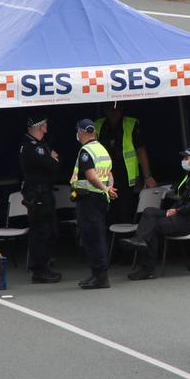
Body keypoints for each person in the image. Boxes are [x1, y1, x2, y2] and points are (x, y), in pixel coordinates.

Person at [124, 147, 190, 281]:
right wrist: (173, 210)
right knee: (149, 212)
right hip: (181, 215)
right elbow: (183, 199)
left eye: (186, 158)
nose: (183, 161)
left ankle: (147, 268)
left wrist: (177, 211)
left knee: (154, 226)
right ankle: (140, 240)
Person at [71, 118, 118, 289]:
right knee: (97, 236)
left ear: (82, 132)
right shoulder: (102, 149)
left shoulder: (86, 151)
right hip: (100, 199)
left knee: (92, 238)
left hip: (89, 199)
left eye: (78, 131)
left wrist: (106, 189)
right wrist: (109, 189)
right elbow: (110, 174)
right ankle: (97, 274)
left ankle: (100, 276)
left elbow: (91, 176)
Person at [95, 103, 156, 232]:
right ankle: (111, 248)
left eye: (116, 109)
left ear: (122, 110)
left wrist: (147, 176)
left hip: (125, 179)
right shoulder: (98, 125)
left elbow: (141, 150)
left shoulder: (131, 124)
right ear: (105, 110)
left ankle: (125, 247)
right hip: (104, 179)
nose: (113, 112)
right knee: (108, 214)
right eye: (110, 109)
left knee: (125, 213)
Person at [18, 115, 62, 283]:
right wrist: (53, 158)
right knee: (42, 232)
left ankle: (44, 266)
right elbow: (53, 165)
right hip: (39, 194)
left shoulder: (35, 145)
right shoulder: (34, 147)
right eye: (45, 124)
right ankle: (40, 270)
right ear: (40, 126)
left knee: (49, 231)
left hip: (42, 193)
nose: (47, 128)